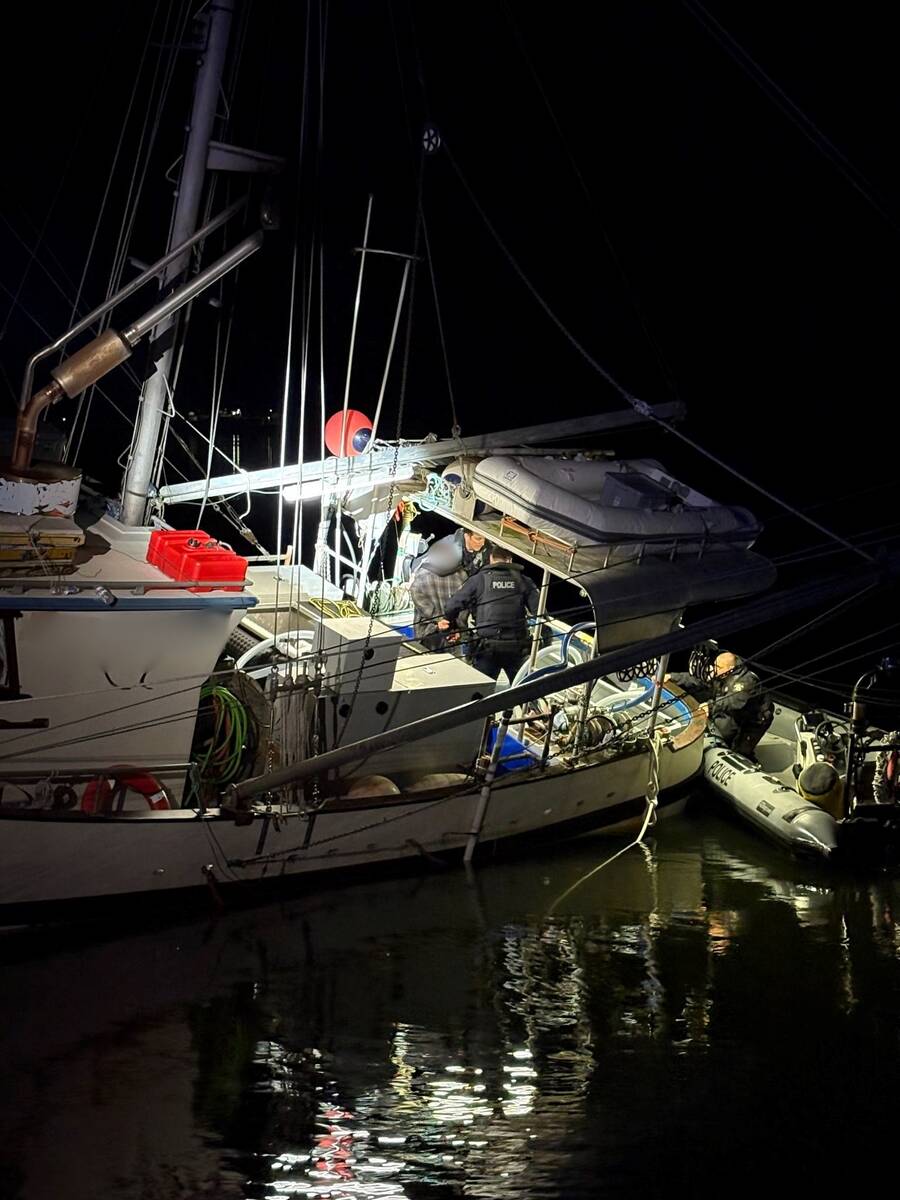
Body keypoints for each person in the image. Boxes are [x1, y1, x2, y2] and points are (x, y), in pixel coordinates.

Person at [437, 546, 540, 681]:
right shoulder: (524, 581)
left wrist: (450, 623)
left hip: (487, 648)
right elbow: (539, 612)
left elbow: (452, 606)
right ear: (510, 560)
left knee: (481, 690)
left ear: (491, 558)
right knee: (523, 689)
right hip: (516, 648)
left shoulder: (479, 580)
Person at [670, 650, 774, 759]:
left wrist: (710, 706)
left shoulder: (746, 681)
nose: (714, 669)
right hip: (735, 713)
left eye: (718, 667)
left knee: (741, 751)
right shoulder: (721, 673)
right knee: (721, 730)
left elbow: (732, 701)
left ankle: (745, 756)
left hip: (755, 719)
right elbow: (699, 680)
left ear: (729, 669)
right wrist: (673, 677)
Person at [408, 528, 486, 651]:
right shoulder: (463, 577)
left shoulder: (424, 574)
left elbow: (414, 590)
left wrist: (440, 620)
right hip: (441, 633)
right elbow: (465, 605)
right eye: (478, 538)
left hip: (432, 632)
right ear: (467, 536)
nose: (482, 543)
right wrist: (454, 626)